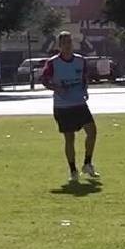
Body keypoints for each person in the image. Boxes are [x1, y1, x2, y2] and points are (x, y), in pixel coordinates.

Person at [40, 31, 98, 182]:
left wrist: (85, 90)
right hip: (63, 106)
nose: (67, 45)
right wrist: (56, 88)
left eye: (69, 42)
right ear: (59, 46)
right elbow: (44, 80)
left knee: (92, 131)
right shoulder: (53, 62)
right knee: (69, 138)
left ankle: (87, 163)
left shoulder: (80, 60)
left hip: (79, 103)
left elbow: (84, 77)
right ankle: (73, 170)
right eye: (64, 43)